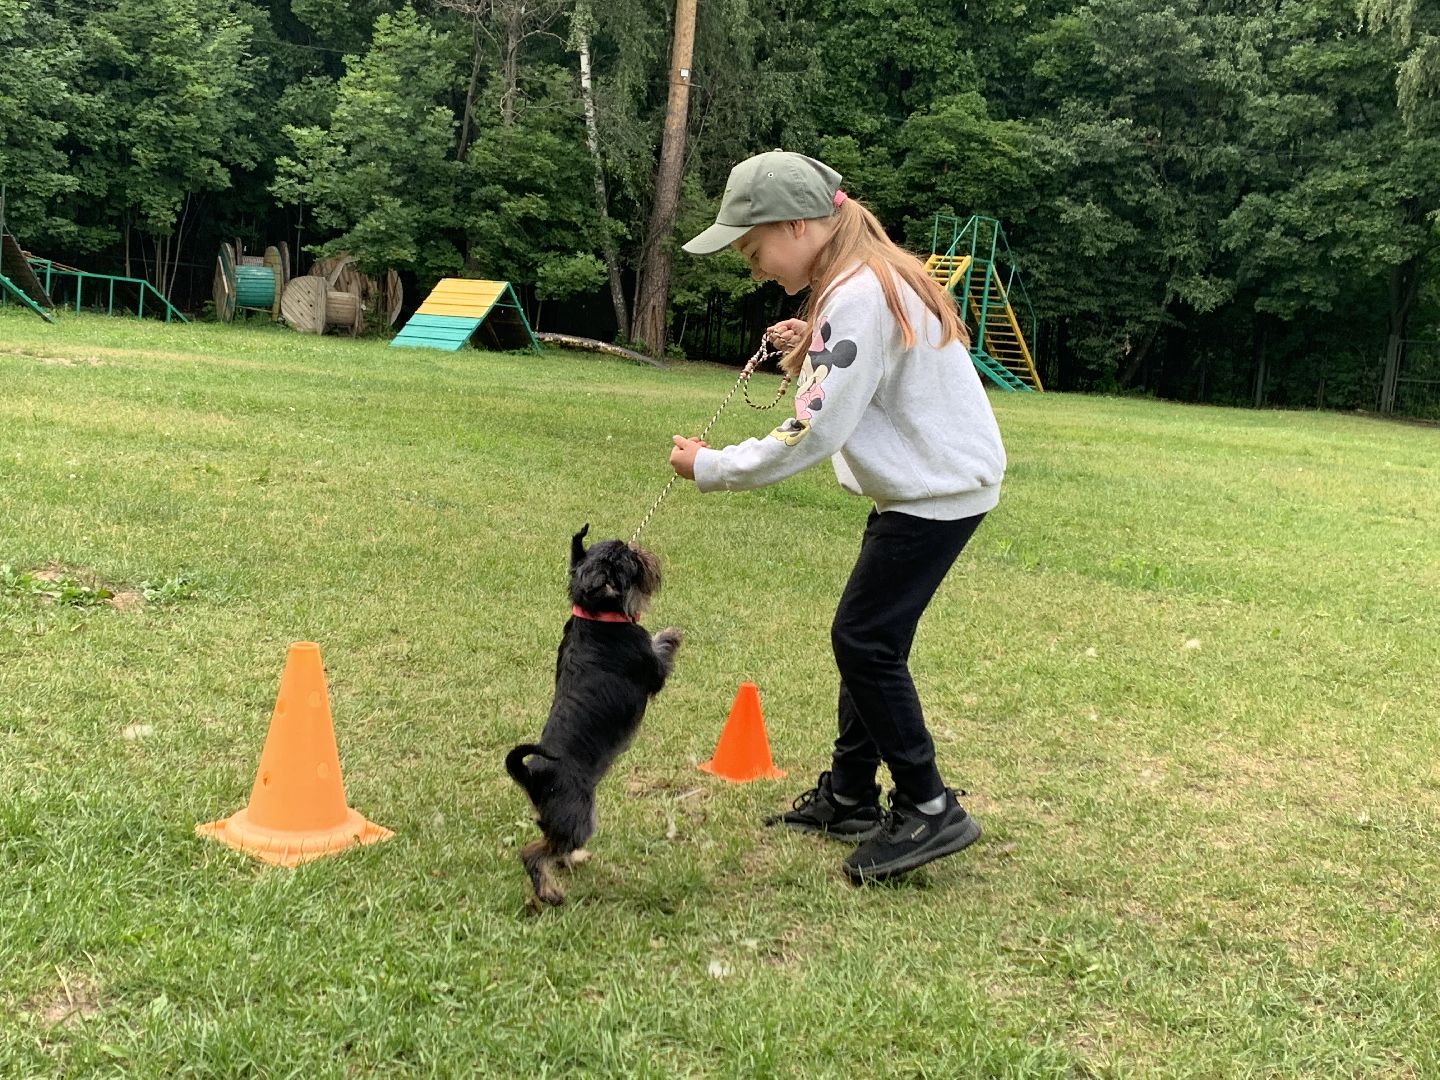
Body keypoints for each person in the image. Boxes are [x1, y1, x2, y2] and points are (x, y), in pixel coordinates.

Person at [668, 150, 1006, 883]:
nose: (753, 267)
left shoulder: (856, 293)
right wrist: (808, 344)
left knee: (863, 640)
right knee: (869, 638)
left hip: (934, 494)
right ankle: (852, 793)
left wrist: (712, 465)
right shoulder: (862, 280)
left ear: (797, 225)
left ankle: (928, 807)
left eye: (753, 248)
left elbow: (815, 431)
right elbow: (855, 376)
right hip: (928, 489)